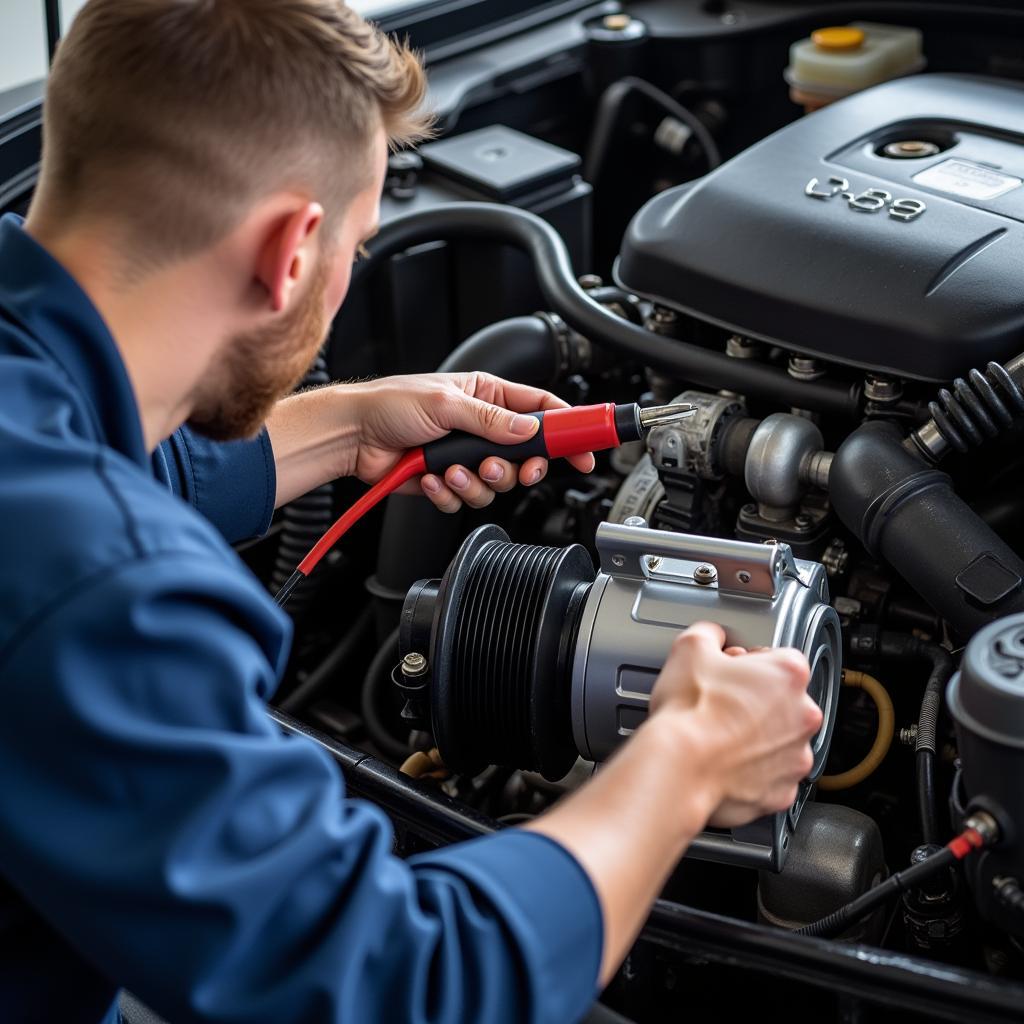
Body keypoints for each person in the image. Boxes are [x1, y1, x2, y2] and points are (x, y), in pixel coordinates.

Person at [0, 2, 824, 1022]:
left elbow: (88, 456)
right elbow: (403, 985)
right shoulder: (101, 587)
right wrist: (688, 758)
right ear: (293, 249)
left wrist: (348, 431)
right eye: (357, 245)